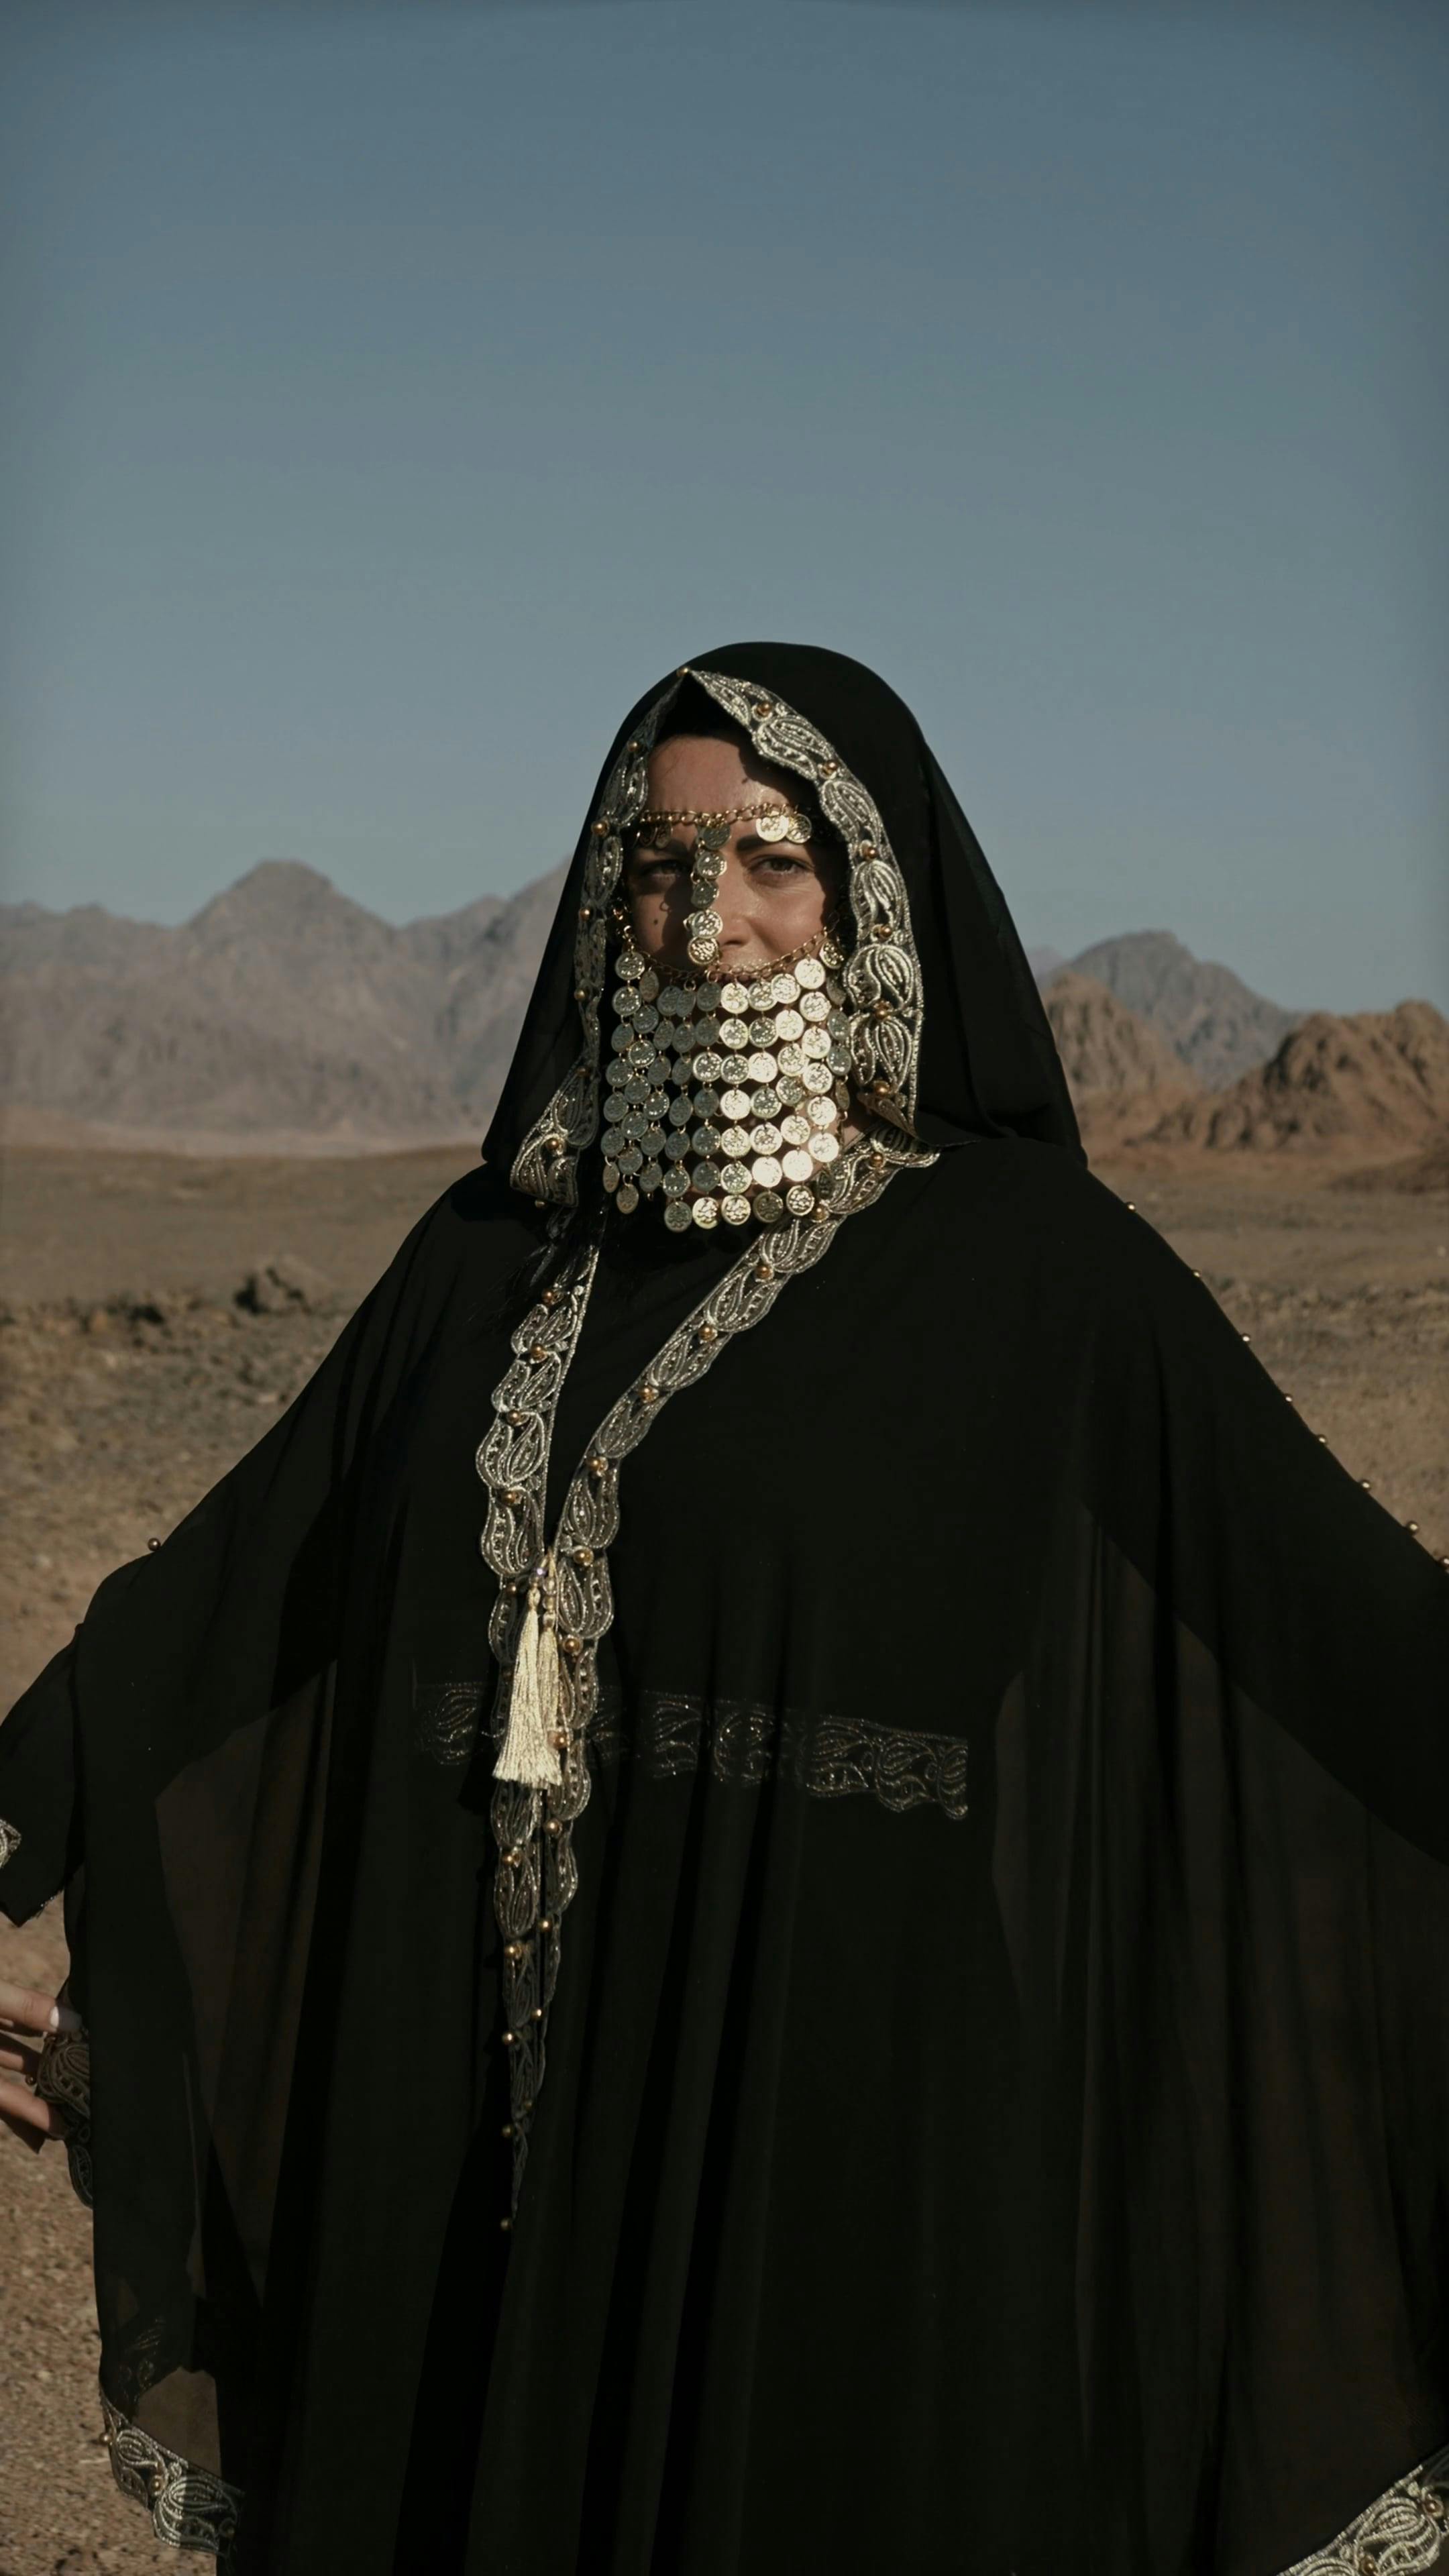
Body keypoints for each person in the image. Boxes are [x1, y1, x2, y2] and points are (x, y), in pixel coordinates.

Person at [2, 643, 1448, 2576]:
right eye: (659, 870)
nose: (710, 926)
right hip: (463, 2144)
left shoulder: (1036, 1274)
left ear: (874, 904)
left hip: (847, 2149)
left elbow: (1344, 1629)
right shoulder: (489, 1257)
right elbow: (233, 1588)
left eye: (774, 862)